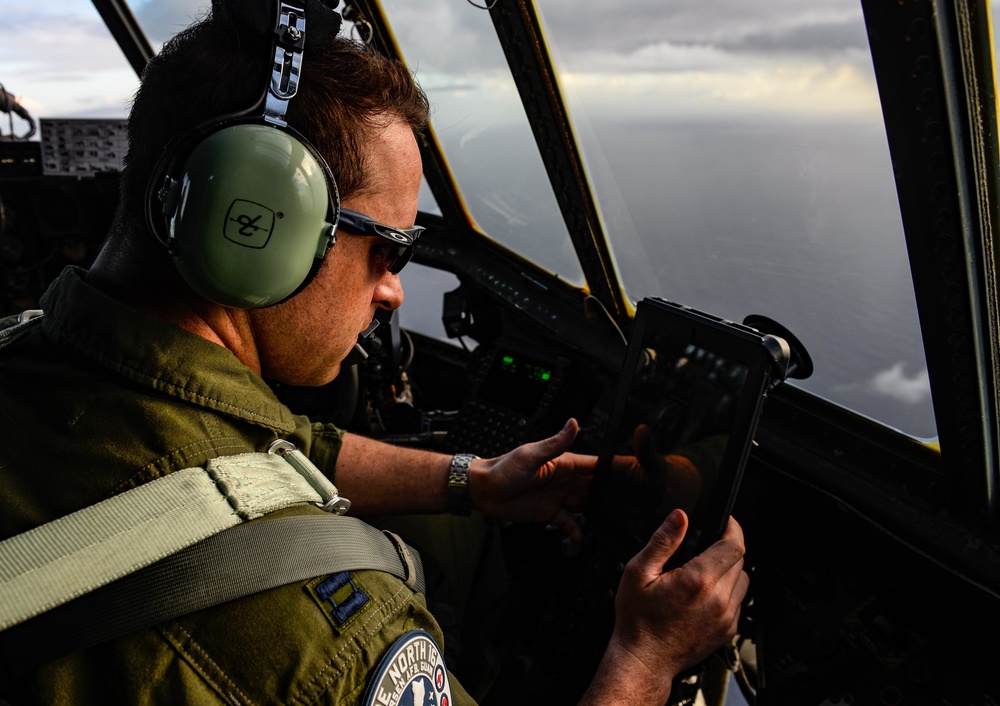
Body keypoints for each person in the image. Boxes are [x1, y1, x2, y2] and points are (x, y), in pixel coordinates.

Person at [0, 1, 748, 704]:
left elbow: (274, 454)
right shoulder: (321, 640)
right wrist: (646, 655)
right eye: (388, 251)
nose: (391, 293)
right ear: (253, 223)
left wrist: (477, 481)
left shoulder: (38, 352)